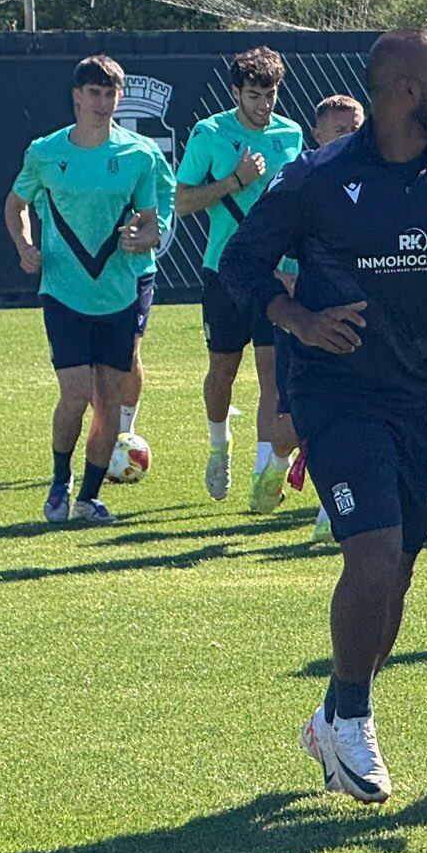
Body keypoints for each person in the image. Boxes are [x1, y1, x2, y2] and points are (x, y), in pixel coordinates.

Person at [220, 29, 427, 803]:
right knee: (372, 550)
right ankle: (356, 719)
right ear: (402, 91)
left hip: (419, 395)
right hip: (338, 393)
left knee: (397, 570)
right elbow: (239, 262)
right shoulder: (317, 176)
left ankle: (331, 712)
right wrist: (293, 318)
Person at [5, 54, 166, 525]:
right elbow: (16, 204)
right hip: (63, 292)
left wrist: (142, 238)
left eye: (110, 93)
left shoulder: (139, 155)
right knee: (76, 394)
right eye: (94, 93)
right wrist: (25, 245)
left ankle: (89, 498)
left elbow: (153, 226)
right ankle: (60, 483)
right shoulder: (45, 152)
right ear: (77, 97)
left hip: (117, 294)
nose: (102, 101)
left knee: (110, 403)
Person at [174, 47, 307, 511]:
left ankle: (261, 472)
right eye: (254, 95)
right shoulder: (209, 133)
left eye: (270, 95)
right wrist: (235, 179)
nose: (263, 105)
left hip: (275, 277)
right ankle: (218, 446)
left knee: (273, 375)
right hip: (223, 273)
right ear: (235, 93)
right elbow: (183, 201)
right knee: (223, 372)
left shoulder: (290, 134)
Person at [271, 94, 366, 543]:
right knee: (290, 428)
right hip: (311, 323)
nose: (351, 137)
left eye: (357, 127)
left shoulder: (380, 177)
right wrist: (287, 286)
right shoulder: (301, 180)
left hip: (367, 323)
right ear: (317, 135)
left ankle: (336, 509)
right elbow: (263, 251)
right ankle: (275, 466)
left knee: (357, 415)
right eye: (340, 130)